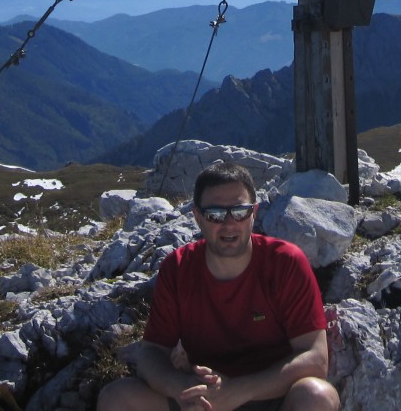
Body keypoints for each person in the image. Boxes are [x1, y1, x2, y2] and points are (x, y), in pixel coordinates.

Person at [97, 159, 339, 411]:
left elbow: (315, 358)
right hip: (201, 399)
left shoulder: (285, 263)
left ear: (254, 213)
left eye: (239, 211)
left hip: (271, 396)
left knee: (316, 395)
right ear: (197, 217)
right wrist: (181, 388)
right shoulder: (179, 268)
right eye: (214, 214)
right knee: (117, 397)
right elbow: (151, 353)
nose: (229, 223)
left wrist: (237, 391)